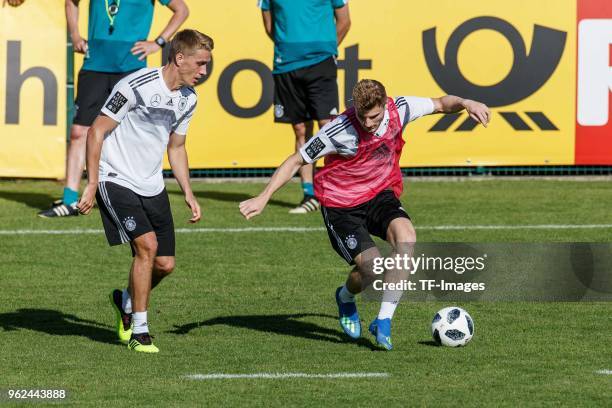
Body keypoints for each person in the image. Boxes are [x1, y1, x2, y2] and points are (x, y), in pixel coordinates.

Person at [240, 79, 490, 350]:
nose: (368, 123)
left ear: (385, 105)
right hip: (341, 205)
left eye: (374, 116)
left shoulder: (401, 109)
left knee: (406, 239)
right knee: (370, 268)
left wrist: (466, 103)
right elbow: (297, 160)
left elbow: (441, 104)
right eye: (362, 116)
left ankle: (383, 321)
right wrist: (264, 197)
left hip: (379, 194)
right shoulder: (340, 129)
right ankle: (346, 297)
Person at [77, 29, 213, 353]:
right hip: (116, 177)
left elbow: (176, 147)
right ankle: (139, 331)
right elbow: (97, 130)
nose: (204, 71)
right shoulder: (135, 85)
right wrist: (93, 182)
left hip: (152, 183)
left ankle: (126, 300)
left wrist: (189, 193)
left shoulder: (188, 99)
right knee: (147, 247)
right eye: (200, 63)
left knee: (165, 264)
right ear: (179, 58)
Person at [38, 0, 189, 218]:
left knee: (131, 133)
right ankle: (71, 200)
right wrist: (75, 36)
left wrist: (158, 42)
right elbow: (71, 2)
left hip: (131, 68)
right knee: (79, 131)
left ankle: (131, 195)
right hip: (95, 65)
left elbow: (182, 10)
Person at [258, 0, 351, 214]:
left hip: (321, 62)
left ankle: (338, 189)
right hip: (286, 65)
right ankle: (310, 194)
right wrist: (291, 49)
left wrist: (325, 49)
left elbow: (344, 20)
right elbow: (269, 25)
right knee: (300, 129)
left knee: (329, 126)